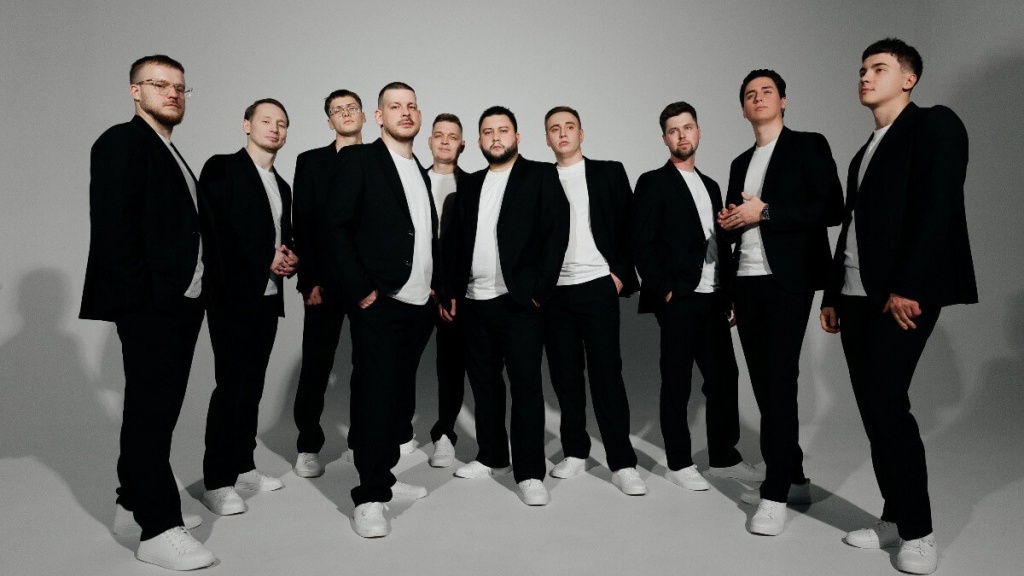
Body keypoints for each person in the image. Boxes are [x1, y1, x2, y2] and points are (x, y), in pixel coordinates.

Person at [819, 38, 976, 575]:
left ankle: (919, 532)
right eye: (863, 69)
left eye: (879, 68)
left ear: (909, 79)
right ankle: (894, 516)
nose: (865, 76)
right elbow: (852, 228)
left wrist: (910, 285)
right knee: (873, 409)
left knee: (887, 405)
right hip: (856, 296)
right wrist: (833, 294)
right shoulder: (864, 150)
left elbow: (939, 205)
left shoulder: (935, 124)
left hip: (900, 296)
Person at [80, 54, 215, 570]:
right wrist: (145, 303)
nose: (173, 93)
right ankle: (158, 529)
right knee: (151, 416)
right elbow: (113, 229)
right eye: (160, 84)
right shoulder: (121, 141)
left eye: (180, 87)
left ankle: (130, 504)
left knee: (154, 411)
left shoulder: (169, 150)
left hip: (180, 304)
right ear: (135, 91)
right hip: (151, 306)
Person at [717, 69, 844, 536]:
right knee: (764, 383)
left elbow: (832, 207)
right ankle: (794, 478)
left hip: (789, 280)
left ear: (783, 101)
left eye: (767, 91)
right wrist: (731, 221)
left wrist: (765, 211)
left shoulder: (808, 146)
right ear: (743, 109)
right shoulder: (739, 162)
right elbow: (740, 226)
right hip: (746, 282)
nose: (758, 98)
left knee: (778, 381)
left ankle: (775, 495)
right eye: (750, 94)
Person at [632, 101, 764, 496]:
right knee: (677, 381)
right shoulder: (653, 182)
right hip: (679, 298)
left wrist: (728, 291)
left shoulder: (710, 186)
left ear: (698, 131)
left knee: (724, 377)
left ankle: (723, 458)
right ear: (665, 139)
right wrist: (666, 289)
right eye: (673, 130)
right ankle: (678, 463)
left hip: (713, 297)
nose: (682, 135)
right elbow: (640, 243)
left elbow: (716, 241)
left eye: (687, 127)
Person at [440, 106, 569, 506]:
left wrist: (539, 291)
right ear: (479, 140)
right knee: (484, 384)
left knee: (525, 387)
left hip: (519, 301)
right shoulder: (470, 184)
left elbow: (557, 232)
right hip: (474, 302)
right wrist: (450, 291)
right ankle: (493, 456)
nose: (495, 137)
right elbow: (454, 243)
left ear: (517, 137)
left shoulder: (540, 175)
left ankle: (529, 472)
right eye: (488, 131)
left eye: (503, 130)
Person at [324, 82, 437, 537]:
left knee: (397, 398)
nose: (405, 112)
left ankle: (385, 479)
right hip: (380, 302)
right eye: (395, 106)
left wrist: (432, 287)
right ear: (378, 116)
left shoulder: (418, 169)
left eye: (412, 106)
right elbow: (334, 227)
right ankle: (369, 497)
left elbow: (419, 234)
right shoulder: (360, 159)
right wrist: (362, 291)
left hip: (419, 304)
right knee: (374, 397)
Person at [198, 98, 298, 517]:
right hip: (231, 296)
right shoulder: (223, 168)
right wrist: (264, 257)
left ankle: (242, 467)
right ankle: (216, 481)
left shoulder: (282, 184)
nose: (274, 128)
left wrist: (290, 257)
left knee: (252, 385)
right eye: (266, 120)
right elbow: (215, 230)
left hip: (267, 296)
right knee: (232, 386)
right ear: (246, 125)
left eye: (282, 123)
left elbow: (280, 235)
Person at [541, 106, 647, 496]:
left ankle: (623, 462)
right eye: (555, 128)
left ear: (581, 133)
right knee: (565, 376)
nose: (563, 133)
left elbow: (630, 226)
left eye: (569, 126)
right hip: (555, 292)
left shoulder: (608, 172)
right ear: (547, 138)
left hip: (598, 285)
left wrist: (618, 273)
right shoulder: (538, 178)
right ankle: (575, 451)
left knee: (606, 374)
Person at [291, 89, 366, 478]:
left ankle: (361, 444)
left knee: (367, 367)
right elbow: (302, 221)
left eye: (352, 108)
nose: (346, 113)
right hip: (323, 281)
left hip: (368, 284)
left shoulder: (381, 160)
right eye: (338, 110)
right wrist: (308, 281)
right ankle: (308, 445)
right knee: (316, 365)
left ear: (364, 115)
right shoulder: (311, 161)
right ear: (329, 120)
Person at [424, 113, 469, 468]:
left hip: (452, 291)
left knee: (450, 366)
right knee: (397, 363)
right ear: (429, 141)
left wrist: (448, 289)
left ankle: (444, 435)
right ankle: (398, 433)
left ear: (462, 144)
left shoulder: (473, 186)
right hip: (413, 288)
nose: (444, 141)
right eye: (438, 135)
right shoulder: (412, 179)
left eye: (451, 136)